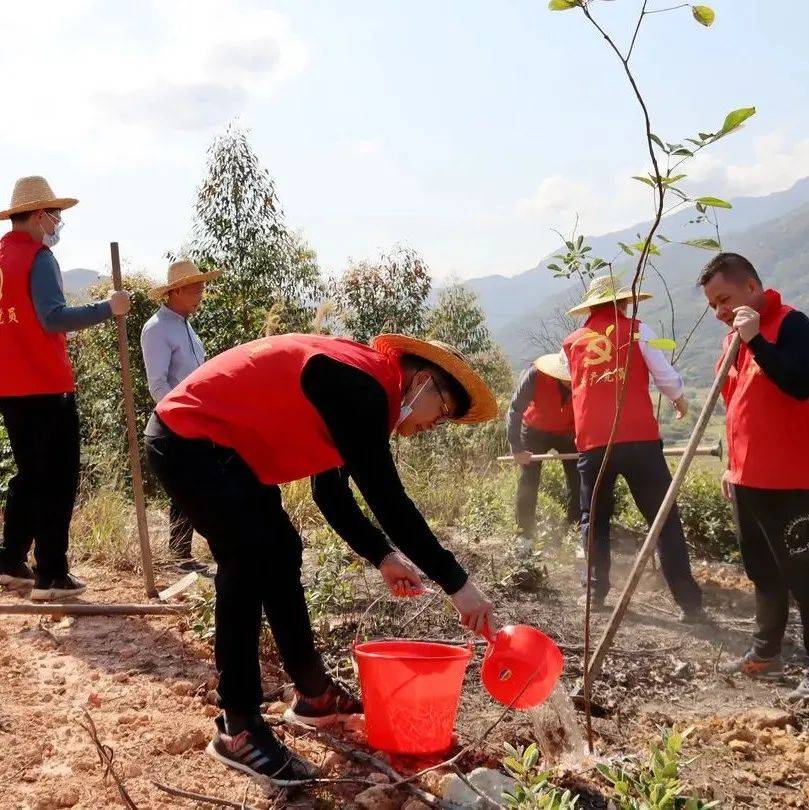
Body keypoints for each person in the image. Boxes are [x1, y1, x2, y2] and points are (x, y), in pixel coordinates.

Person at [144, 332, 498, 781]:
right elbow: (388, 499)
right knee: (247, 559)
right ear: (423, 381)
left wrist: (382, 555)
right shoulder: (363, 386)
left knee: (280, 547)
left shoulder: (369, 392)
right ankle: (238, 727)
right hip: (187, 439)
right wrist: (458, 585)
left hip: (224, 450)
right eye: (443, 411)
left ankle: (313, 694)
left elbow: (330, 493)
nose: (436, 424)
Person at [0, 176, 131, 601]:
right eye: (54, 215)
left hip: (9, 386)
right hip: (45, 384)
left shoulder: (1, 255)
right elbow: (53, 318)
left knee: (30, 475)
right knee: (56, 480)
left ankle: (10, 560)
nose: (57, 223)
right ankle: (51, 573)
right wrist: (107, 308)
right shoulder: (40, 258)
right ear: (38, 215)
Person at [699, 253, 809, 702]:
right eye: (712, 305)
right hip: (748, 479)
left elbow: (800, 383)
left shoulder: (792, 324)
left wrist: (756, 341)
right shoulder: (732, 340)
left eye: (724, 298)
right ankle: (766, 653)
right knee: (762, 570)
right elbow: (737, 408)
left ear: (751, 286)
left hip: (792, 480)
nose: (720, 310)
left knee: (803, 576)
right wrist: (732, 465)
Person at [562, 275, 704, 621]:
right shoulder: (638, 330)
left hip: (594, 444)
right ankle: (690, 605)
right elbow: (663, 373)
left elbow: (574, 385)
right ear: (623, 302)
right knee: (664, 519)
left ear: (590, 307)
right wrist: (679, 398)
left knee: (593, 520)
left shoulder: (572, 342)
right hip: (639, 439)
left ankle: (595, 593)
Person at [141, 260, 221, 573]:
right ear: (176, 291)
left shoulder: (185, 325)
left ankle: (181, 554)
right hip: (175, 422)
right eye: (196, 286)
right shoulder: (158, 328)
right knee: (186, 486)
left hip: (197, 418)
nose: (201, 292)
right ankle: (179, 555)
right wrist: (180, 415)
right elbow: (158, 383)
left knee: (193, 484)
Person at [506, 351, 580, 536]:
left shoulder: (586, 378)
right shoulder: (536, 375)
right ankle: (524, 535)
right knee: (529, 480)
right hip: (535, 430)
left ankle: (575, 529)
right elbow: (515, 409)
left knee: (578, 480)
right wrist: (516, 448)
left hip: (569, 432)